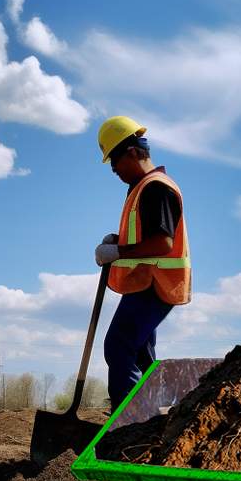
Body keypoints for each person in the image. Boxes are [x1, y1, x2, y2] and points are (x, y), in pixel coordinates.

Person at [92, 116, 191, 411]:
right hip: (145, 282)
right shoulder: (141, 188)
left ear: (133, 152)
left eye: (114, 161)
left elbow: (163, 242)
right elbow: (145, 233)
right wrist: (118, 239)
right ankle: (150, 424)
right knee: (140, 354)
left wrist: (118, 252)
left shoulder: (156, 188)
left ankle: (130, 421)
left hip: (155, 283)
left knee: (119, 345)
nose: (113, 170)